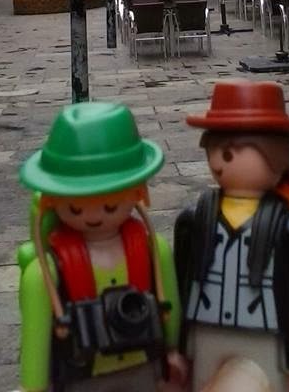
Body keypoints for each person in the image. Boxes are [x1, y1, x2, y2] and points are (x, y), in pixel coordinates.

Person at [174, 80, 289, 392]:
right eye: (215, 148)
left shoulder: (288, 226)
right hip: (204, 326)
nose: (220, 160)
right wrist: (174, 339)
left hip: (266, 330)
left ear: (277, 157)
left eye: (232, 152)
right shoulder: (195, 218)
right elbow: (181, 275)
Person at [17, 101, 184, 392]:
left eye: (109, 206)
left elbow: (168, 302)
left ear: (138, 192)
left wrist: (174, 352)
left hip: (144, 367)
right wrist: (33, 386)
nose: (93, 216)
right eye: (76, 208)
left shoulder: (152, 250)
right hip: (81, 374)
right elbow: (36, 336)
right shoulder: (47, 271)